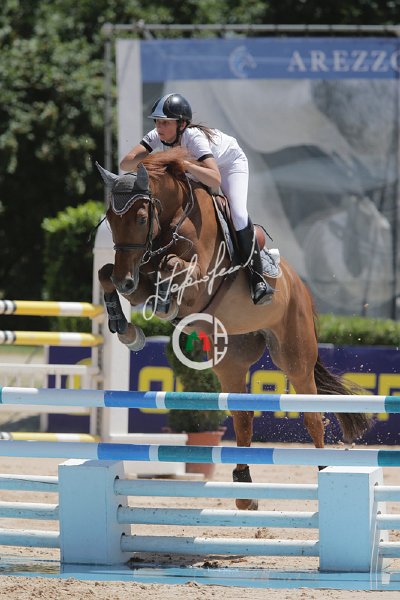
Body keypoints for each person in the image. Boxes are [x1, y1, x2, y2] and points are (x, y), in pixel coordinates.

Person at [120, 93, 274, 305]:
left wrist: (186, 164)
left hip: (229, 165)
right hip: (197, 169)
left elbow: (214, 178)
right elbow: (125, 164)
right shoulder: (157, 135)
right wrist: (158, 158)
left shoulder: (193, 138)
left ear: (182, 124)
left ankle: (257, 279)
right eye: (157, 121)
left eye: (165, 122)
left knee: (238, 214)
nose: (159, 127)